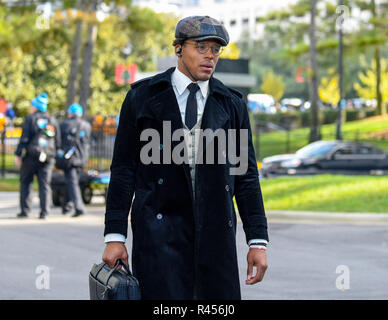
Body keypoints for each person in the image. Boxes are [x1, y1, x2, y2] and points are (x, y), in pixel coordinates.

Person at [102, 15, 269, 300]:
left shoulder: (232, 104)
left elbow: (246, 177)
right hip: (158, 238)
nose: (210, 56)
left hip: (216, 240)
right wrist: (115, 236)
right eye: (201, 47)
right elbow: (123, 171)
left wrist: (257, 241)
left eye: (215, 49)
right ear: (179, 48)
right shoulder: (141, 98)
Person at [15, 93, 61, 219]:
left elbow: (24, 138)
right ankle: (44, 212)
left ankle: (25, 210)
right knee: (45, 184)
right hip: (48, 156)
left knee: (26, 182)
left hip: (32, 156)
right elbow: (57, 141)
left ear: (35, 106)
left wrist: (18, 154)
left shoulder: (31, 119)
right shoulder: (52, 120)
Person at [58, 103, 91, 217]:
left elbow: (59, 141)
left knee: (72, 183)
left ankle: (79, 207)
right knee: (72, 181)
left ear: (70, 113)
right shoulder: (86, 126)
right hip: (82, 158)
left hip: (70, 158)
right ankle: (66, 206)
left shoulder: (64, 125)